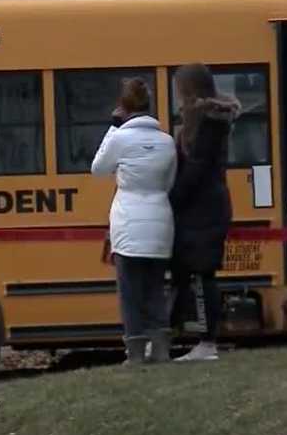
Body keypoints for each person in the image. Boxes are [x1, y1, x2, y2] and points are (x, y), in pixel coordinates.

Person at [92, 77, 177, 365]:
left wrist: (113, 127)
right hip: (161, 219)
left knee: (130, 290)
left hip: (128, 221)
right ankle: (162, 348)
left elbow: (98, 168)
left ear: (123, 108)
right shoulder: (167, 142)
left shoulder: (119, 137)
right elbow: (169, 182)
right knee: (155, 287)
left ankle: (136, 353)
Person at [170, 63, 240, 362]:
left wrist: (172, 198)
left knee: (203, 274)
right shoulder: (203, 119)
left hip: (204, 207)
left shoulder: (208, 121)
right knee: (194, 272)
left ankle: (207, 341)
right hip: (203, 205)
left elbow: (197, 167)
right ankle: (195, 336)